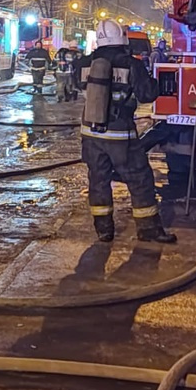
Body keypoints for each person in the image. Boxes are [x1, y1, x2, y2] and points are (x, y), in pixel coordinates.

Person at [75, 19, 175, 244]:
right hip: (120, 135)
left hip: (90, 133)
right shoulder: (131, 64)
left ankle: (104, 230)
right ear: (122, 38)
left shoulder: (83, 63)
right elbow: (147, 95)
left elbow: (77, 87)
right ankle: (148, 229)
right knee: (139, 179)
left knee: (98, 180)